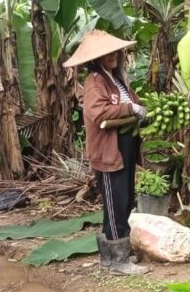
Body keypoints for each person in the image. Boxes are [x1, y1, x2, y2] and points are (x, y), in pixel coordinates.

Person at [63, 30, 150, 275]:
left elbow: (132, 107)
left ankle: (110, 258)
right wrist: (129, 107)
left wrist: (139, 111)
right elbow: (97, 112)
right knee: (115, 203)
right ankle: (119, 263)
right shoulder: (95, 81)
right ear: (96, 58)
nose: (112, 56)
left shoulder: (117, 80)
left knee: (123, 202)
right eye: (106, 53)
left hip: (125, 150)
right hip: (109, 151)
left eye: (114, 52)